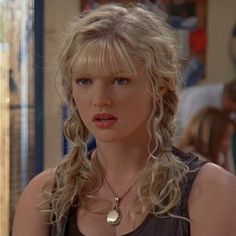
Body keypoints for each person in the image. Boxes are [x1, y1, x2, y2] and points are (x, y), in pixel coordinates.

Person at [12, 3, 236, 236]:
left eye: (120, 80)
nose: (100, 100)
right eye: (85, 81)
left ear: (159, 85)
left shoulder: (210, 190)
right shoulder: (44, 196)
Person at [177, 107, 236, 174]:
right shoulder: (193, 158)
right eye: (225, 138)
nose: (228, 143)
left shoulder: (212, 157)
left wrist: (226, 152)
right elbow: (228, 181)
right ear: (211, 136)